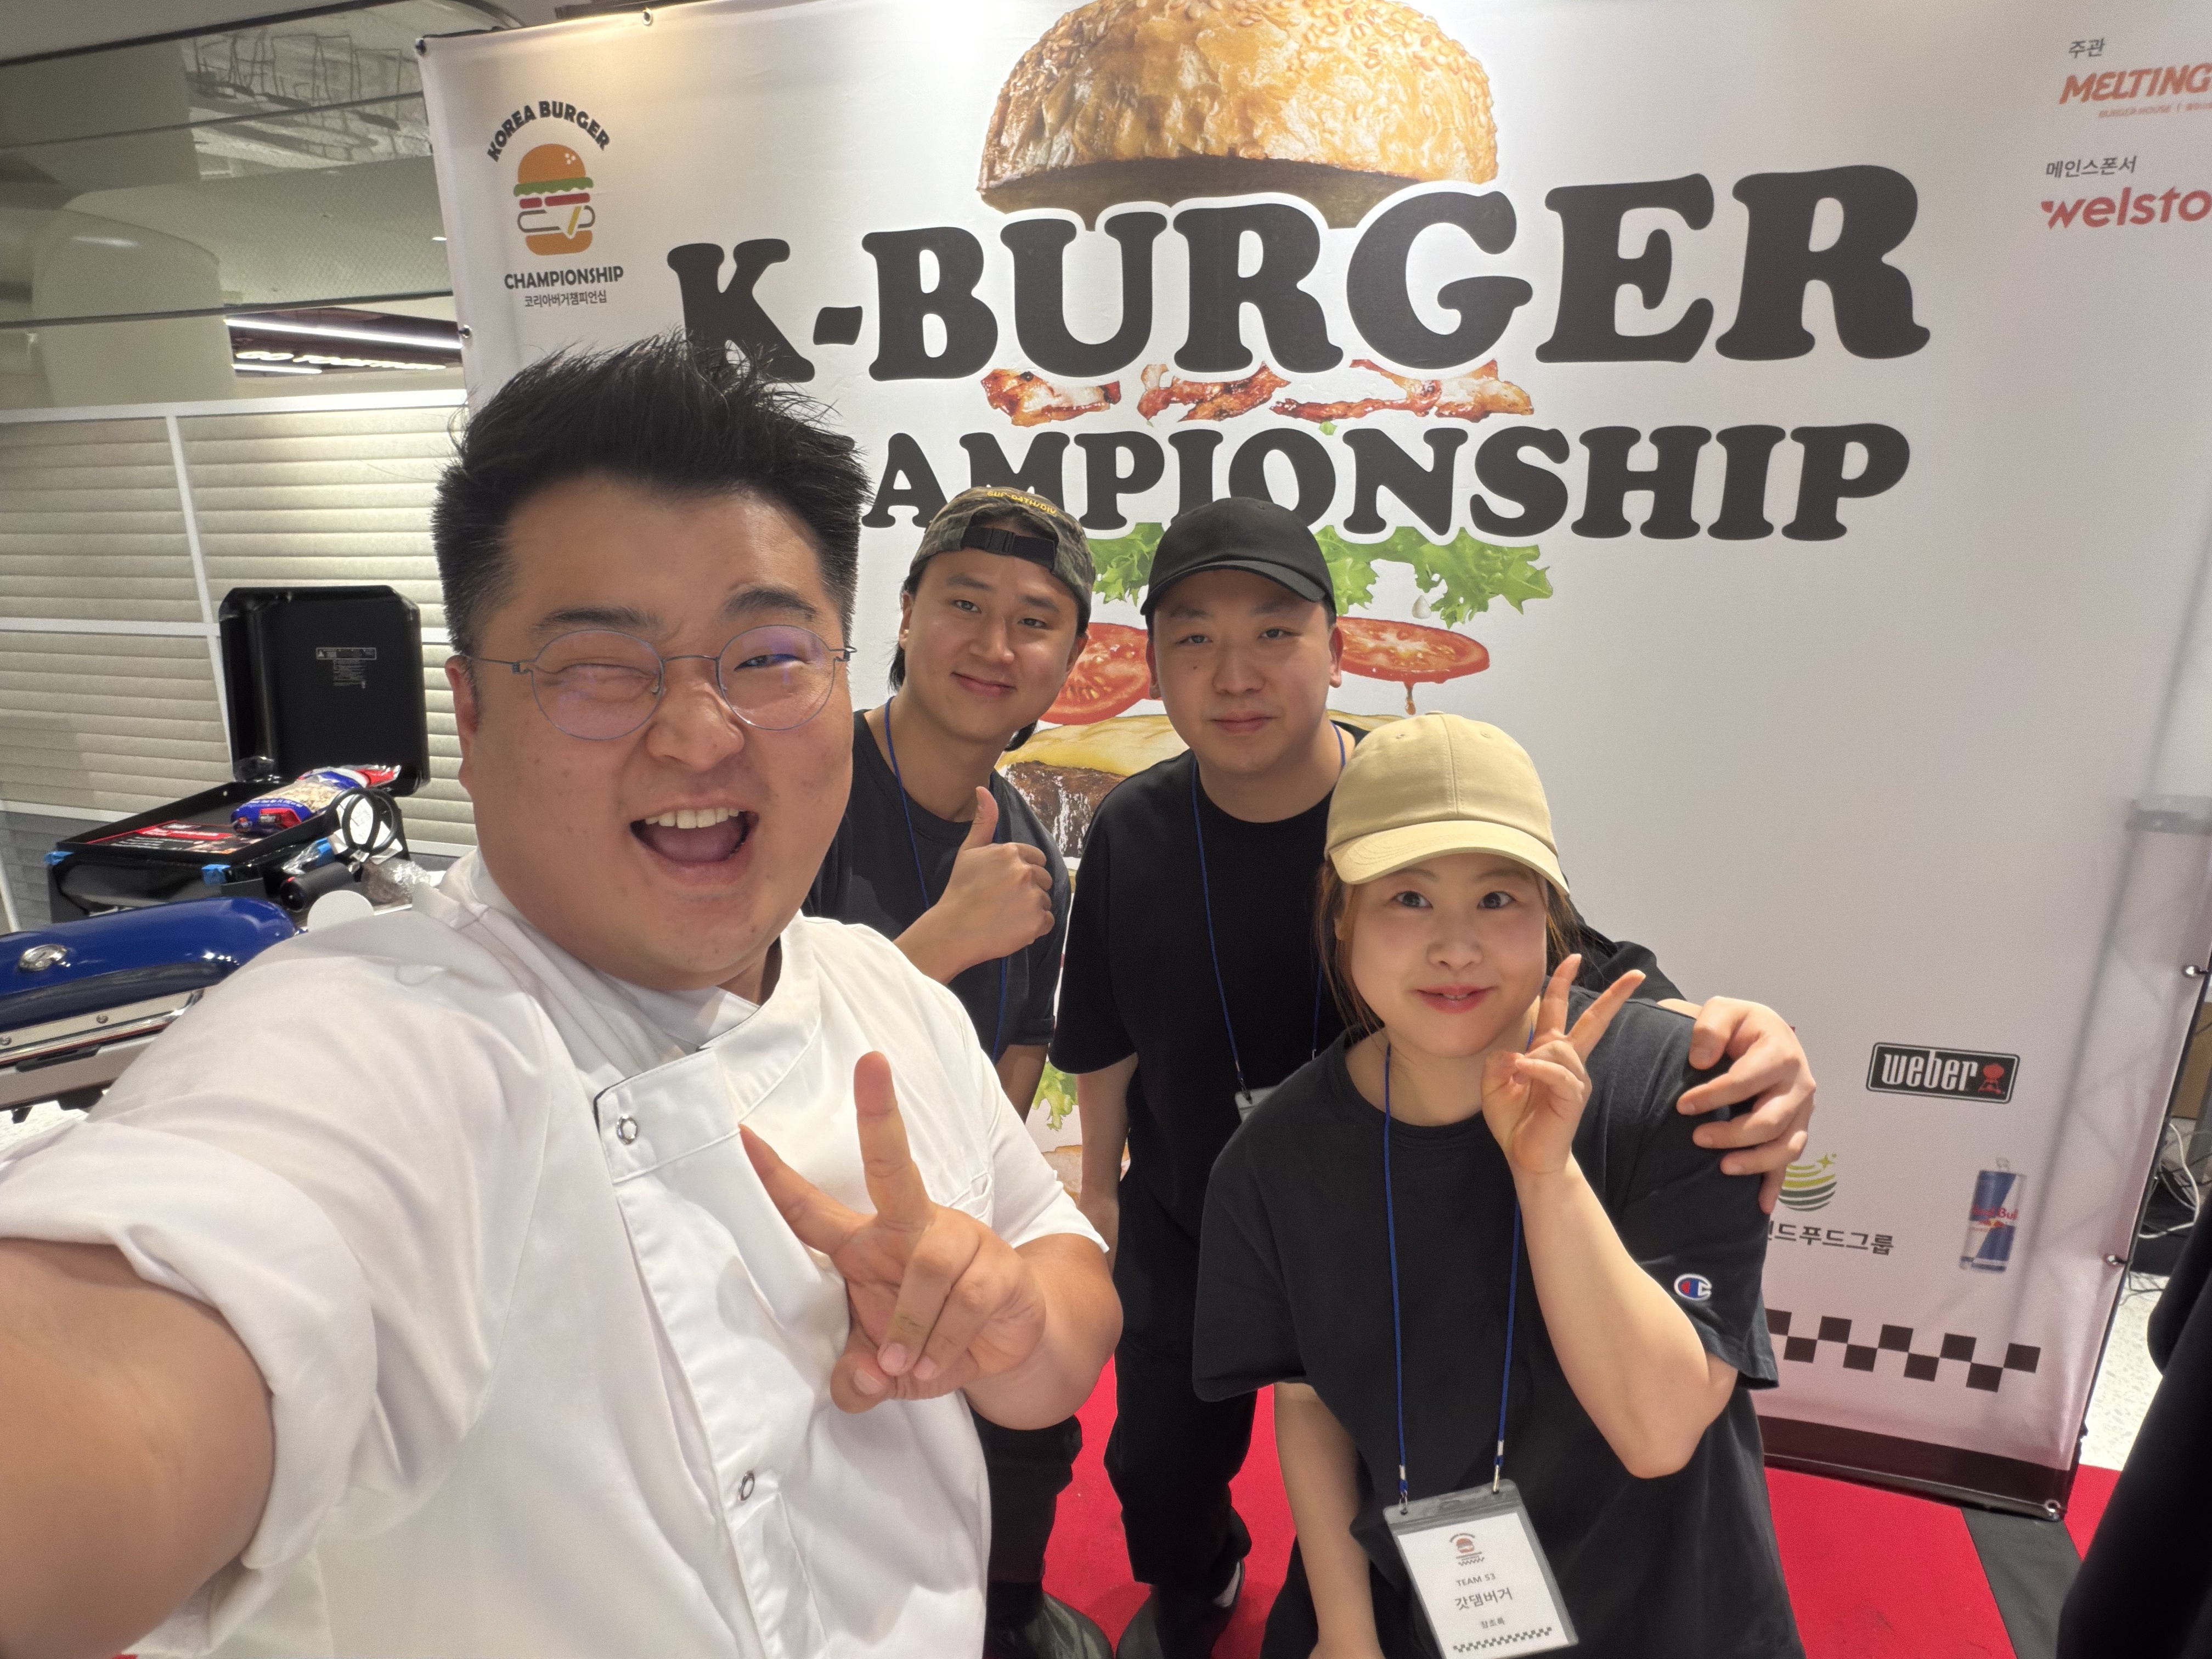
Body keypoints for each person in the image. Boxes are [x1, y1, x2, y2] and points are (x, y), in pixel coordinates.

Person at [0, 335, 1120, 1659]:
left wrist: (1008, 1321)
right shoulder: (382, 1039)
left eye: (768, 655)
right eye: (597, 665)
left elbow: (1062, 1276)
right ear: (470, 718)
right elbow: (122, 1358)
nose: (697, 733)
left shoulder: (883, 988)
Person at [1048, 497, 1818, 1659]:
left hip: (1431, 1197)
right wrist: (1099, 1204)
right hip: (1227, 1202)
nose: (1234, 672)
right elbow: (1102, 1028)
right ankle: (1197, 1583)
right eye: (1194, 637)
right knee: (1163, 1460)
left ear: (1336, 648)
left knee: (1444, 1418)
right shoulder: (1135, 831)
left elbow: (1582, 967)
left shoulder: (1414, 798)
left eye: (1274, 631)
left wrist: (1736, 1043)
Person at [1193, 713, 1801, 1658]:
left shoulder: (1679, 1092)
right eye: (1407, 897)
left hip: (1669, 1610)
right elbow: (1309, 1395)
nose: (1456, 947)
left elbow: (1660, 1432)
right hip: (1416, 1610)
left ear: (1551, 912)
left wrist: (1546, 1174)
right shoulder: (1274, 1158)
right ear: (1340, 912)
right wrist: (1347, 1631)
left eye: (1497, 898)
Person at [804, 484, 1109, 1659]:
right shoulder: (803, 786)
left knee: (1028, 1427)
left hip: (936, 1229)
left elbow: (1017, 1052)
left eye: (1034, 621)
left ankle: (1006, 1615)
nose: (994, 644)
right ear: (904, 614)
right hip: (782, 1226)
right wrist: (939, 942)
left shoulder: (1030, 849)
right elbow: (726, 1036)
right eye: (965, 604)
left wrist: (986, 1209)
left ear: (1066, 661)